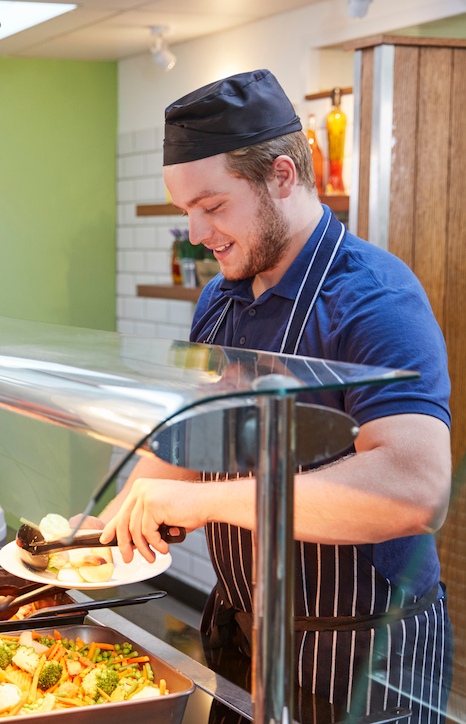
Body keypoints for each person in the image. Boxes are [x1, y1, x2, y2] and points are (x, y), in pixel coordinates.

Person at [96, 70, 452, 723]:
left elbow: (414, 489)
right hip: (243, 629)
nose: (199, 234)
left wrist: (200, 501)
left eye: (213, 206)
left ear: (281, 176)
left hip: (360, 656)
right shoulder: (220, 298)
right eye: (186, 213)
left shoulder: (377, 300)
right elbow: (198, 436)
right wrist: (102, 528)